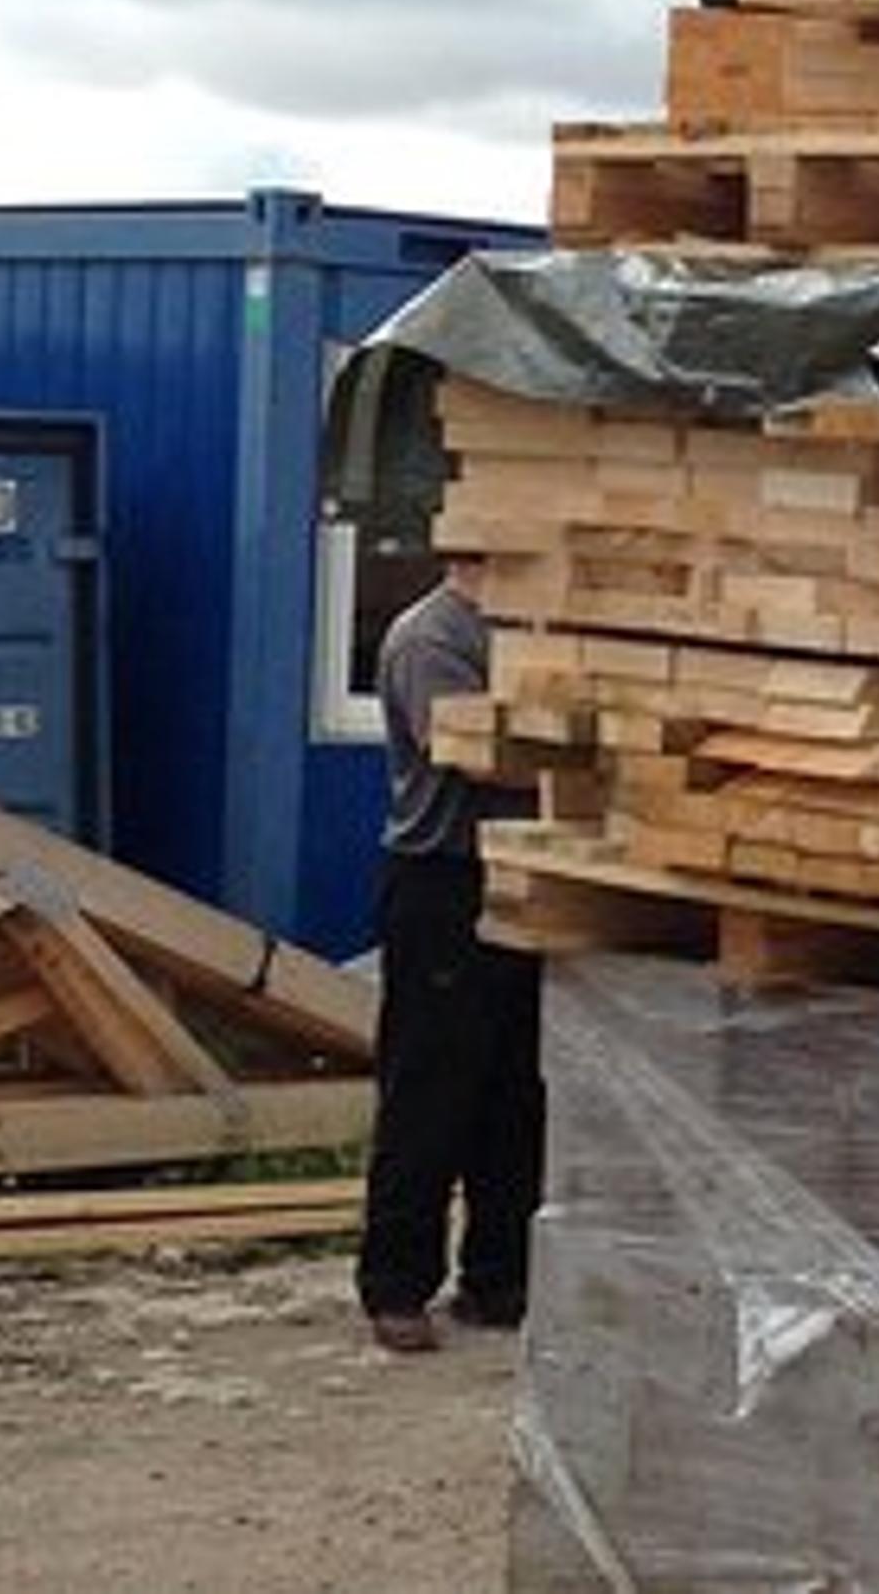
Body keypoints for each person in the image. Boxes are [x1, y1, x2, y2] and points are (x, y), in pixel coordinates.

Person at [356, 554, 543, 1353]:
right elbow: (473, 753)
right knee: (431, 1090)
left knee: (516, 1092)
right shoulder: (430, 637)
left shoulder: (530, 628)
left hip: (524, 877)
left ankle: (499, 1281)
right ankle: (396, 1285)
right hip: (444, 883)